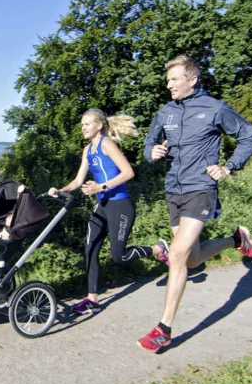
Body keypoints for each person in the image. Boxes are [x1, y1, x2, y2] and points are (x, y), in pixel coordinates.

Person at [137, 55, 252, 353]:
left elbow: (249, 135)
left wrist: (229, 167)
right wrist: (151, 153)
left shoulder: (215, 108)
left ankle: (163, 329)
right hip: (173, 190)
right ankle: (236, 240)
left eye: (174, 79)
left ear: (192, 79)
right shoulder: (164, 112)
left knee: (177, 255)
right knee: (191, 259)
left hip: (201, 188)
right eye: (168, 80)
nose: (169, 85)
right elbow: (147, 147)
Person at [48, 109, 169, 315]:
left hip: (120, 206)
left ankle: (158, 250)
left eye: (87, 124)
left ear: (99, 126)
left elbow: (128, 172)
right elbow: (78, 181)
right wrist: (60, 190)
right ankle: (92, 299)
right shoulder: (88, 150)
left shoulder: (106, 144)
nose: (83, 127)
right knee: (91, 249)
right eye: (82, 124)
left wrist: (100, 187)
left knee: (118, 257)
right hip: (101, 207)